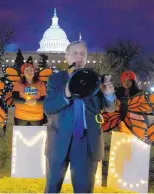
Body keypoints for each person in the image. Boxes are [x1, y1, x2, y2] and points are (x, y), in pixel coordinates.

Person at [44, 41, 116, 193]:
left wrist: (108, 95)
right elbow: (48, 108)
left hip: (86, 142)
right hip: (59, 141)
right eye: (75, 53)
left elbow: (109, 107)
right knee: (52, 188)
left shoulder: (96, 80)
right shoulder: (55, 80)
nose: (79, 56)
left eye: (83, 53)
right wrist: (65, 94)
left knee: (84, 189)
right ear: (66, 56)